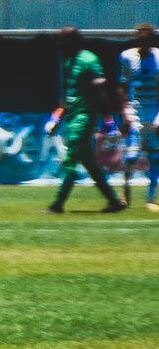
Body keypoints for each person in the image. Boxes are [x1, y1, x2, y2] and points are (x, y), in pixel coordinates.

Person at [45, 27, 126, 214]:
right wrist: (56, 118)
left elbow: (101, 91)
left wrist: (109, 121)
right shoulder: (67, 62)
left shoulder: (88, 60)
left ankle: (58, 204)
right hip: (72, 117)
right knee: (89, 163)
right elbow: (68, 95)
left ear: (73, 41)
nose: (59, 45)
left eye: (63, 40)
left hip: (85, 117)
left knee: (71, 159)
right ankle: (114, 201)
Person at [116, 23, 158, 211]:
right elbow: (122, 86)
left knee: (155, 156)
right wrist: (125, 111)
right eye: (140, 40)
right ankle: (125, 193)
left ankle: (150, 198)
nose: (143, 43)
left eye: (147, 40)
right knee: (131, 156)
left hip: (155, 112)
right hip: (135, 113)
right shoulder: (127, 57)